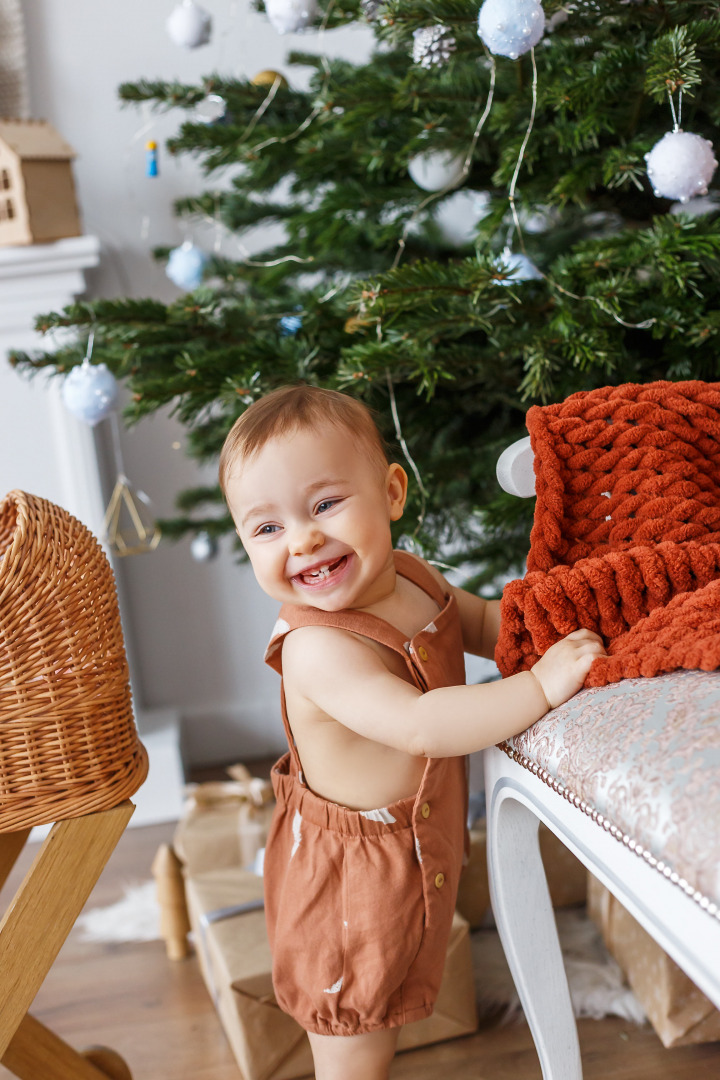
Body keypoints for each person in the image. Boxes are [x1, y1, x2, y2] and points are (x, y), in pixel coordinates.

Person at [219, 384, 605, 1080]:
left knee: (394, 1004)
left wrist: (552, 622)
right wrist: (540, 686)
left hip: (409, 848)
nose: (302, 539)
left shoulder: (414, 579)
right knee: (357, 1035)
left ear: (391, 493)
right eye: (266, 528)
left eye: (325, 504)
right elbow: (421, 725)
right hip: (347, 880)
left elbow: (485, 623)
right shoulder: (316, 649)